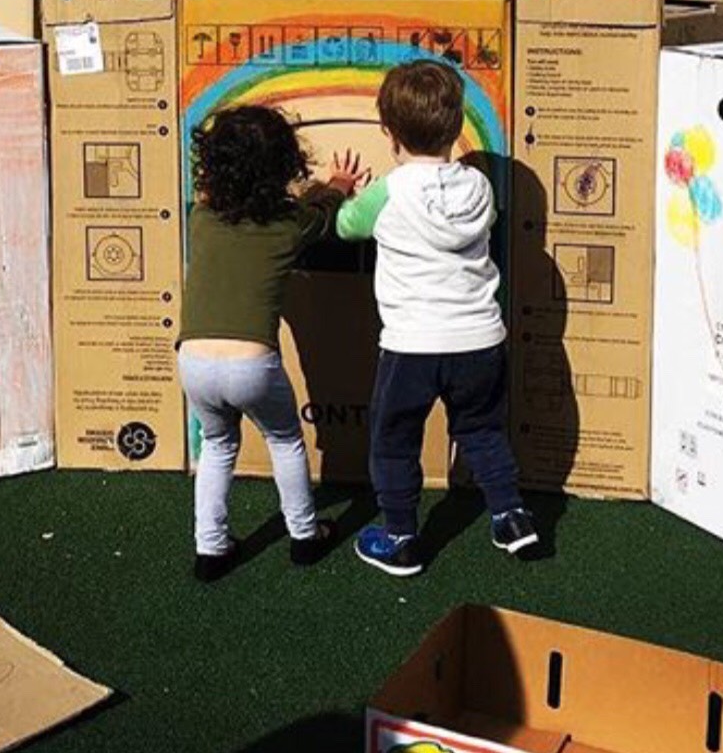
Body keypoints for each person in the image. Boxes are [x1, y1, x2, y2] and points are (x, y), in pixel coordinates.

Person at [335, 60, 536, 577]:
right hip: (480, 340)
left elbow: (345, 226)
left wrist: (349, 195)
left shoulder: (388, 192)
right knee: (482, 430)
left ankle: (400, 537)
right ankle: (511, 515)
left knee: (394, 441)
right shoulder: (480, 188)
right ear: (456, 126)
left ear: (388, 132)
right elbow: (486, 221)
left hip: (412, 346)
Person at [178, 106, 366, 581]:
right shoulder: (288, 225)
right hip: (251, 364)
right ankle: (304, 536)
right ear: (285, 164)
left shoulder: (201, 217)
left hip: (194, 360)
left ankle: (210, 549)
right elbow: (322, 215)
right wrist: (338, 185)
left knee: (218, 445)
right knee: (284, 441)